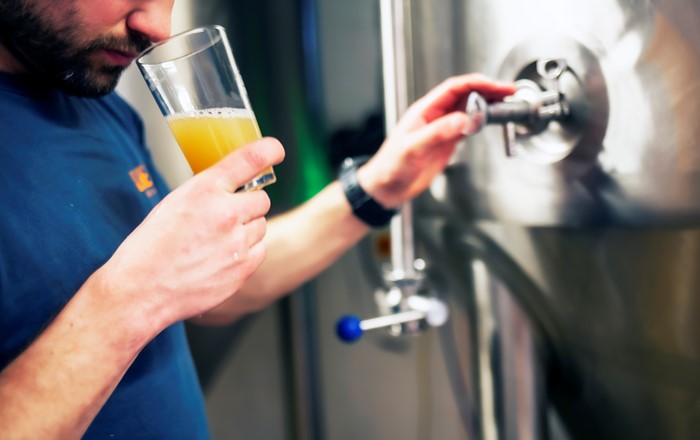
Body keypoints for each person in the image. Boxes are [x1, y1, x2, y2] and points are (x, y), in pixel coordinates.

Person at [0, 0, 516, 438]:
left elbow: (214, 288)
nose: (156, 26)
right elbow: (150, 292)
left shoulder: (93, 101)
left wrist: (381, 184)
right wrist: (135, 296)